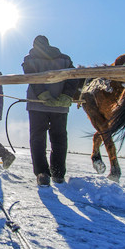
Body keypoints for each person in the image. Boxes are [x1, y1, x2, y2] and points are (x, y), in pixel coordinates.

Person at [22, 35, 74, 186]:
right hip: (60, 105)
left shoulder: (29, 59)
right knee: (59, 138)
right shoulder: (65, 58)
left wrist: (42, 95)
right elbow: (74, 77)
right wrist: (66, 95)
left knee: (37, 138)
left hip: (37, 104)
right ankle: (58, 174)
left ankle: (42, 173)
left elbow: (31, 78)